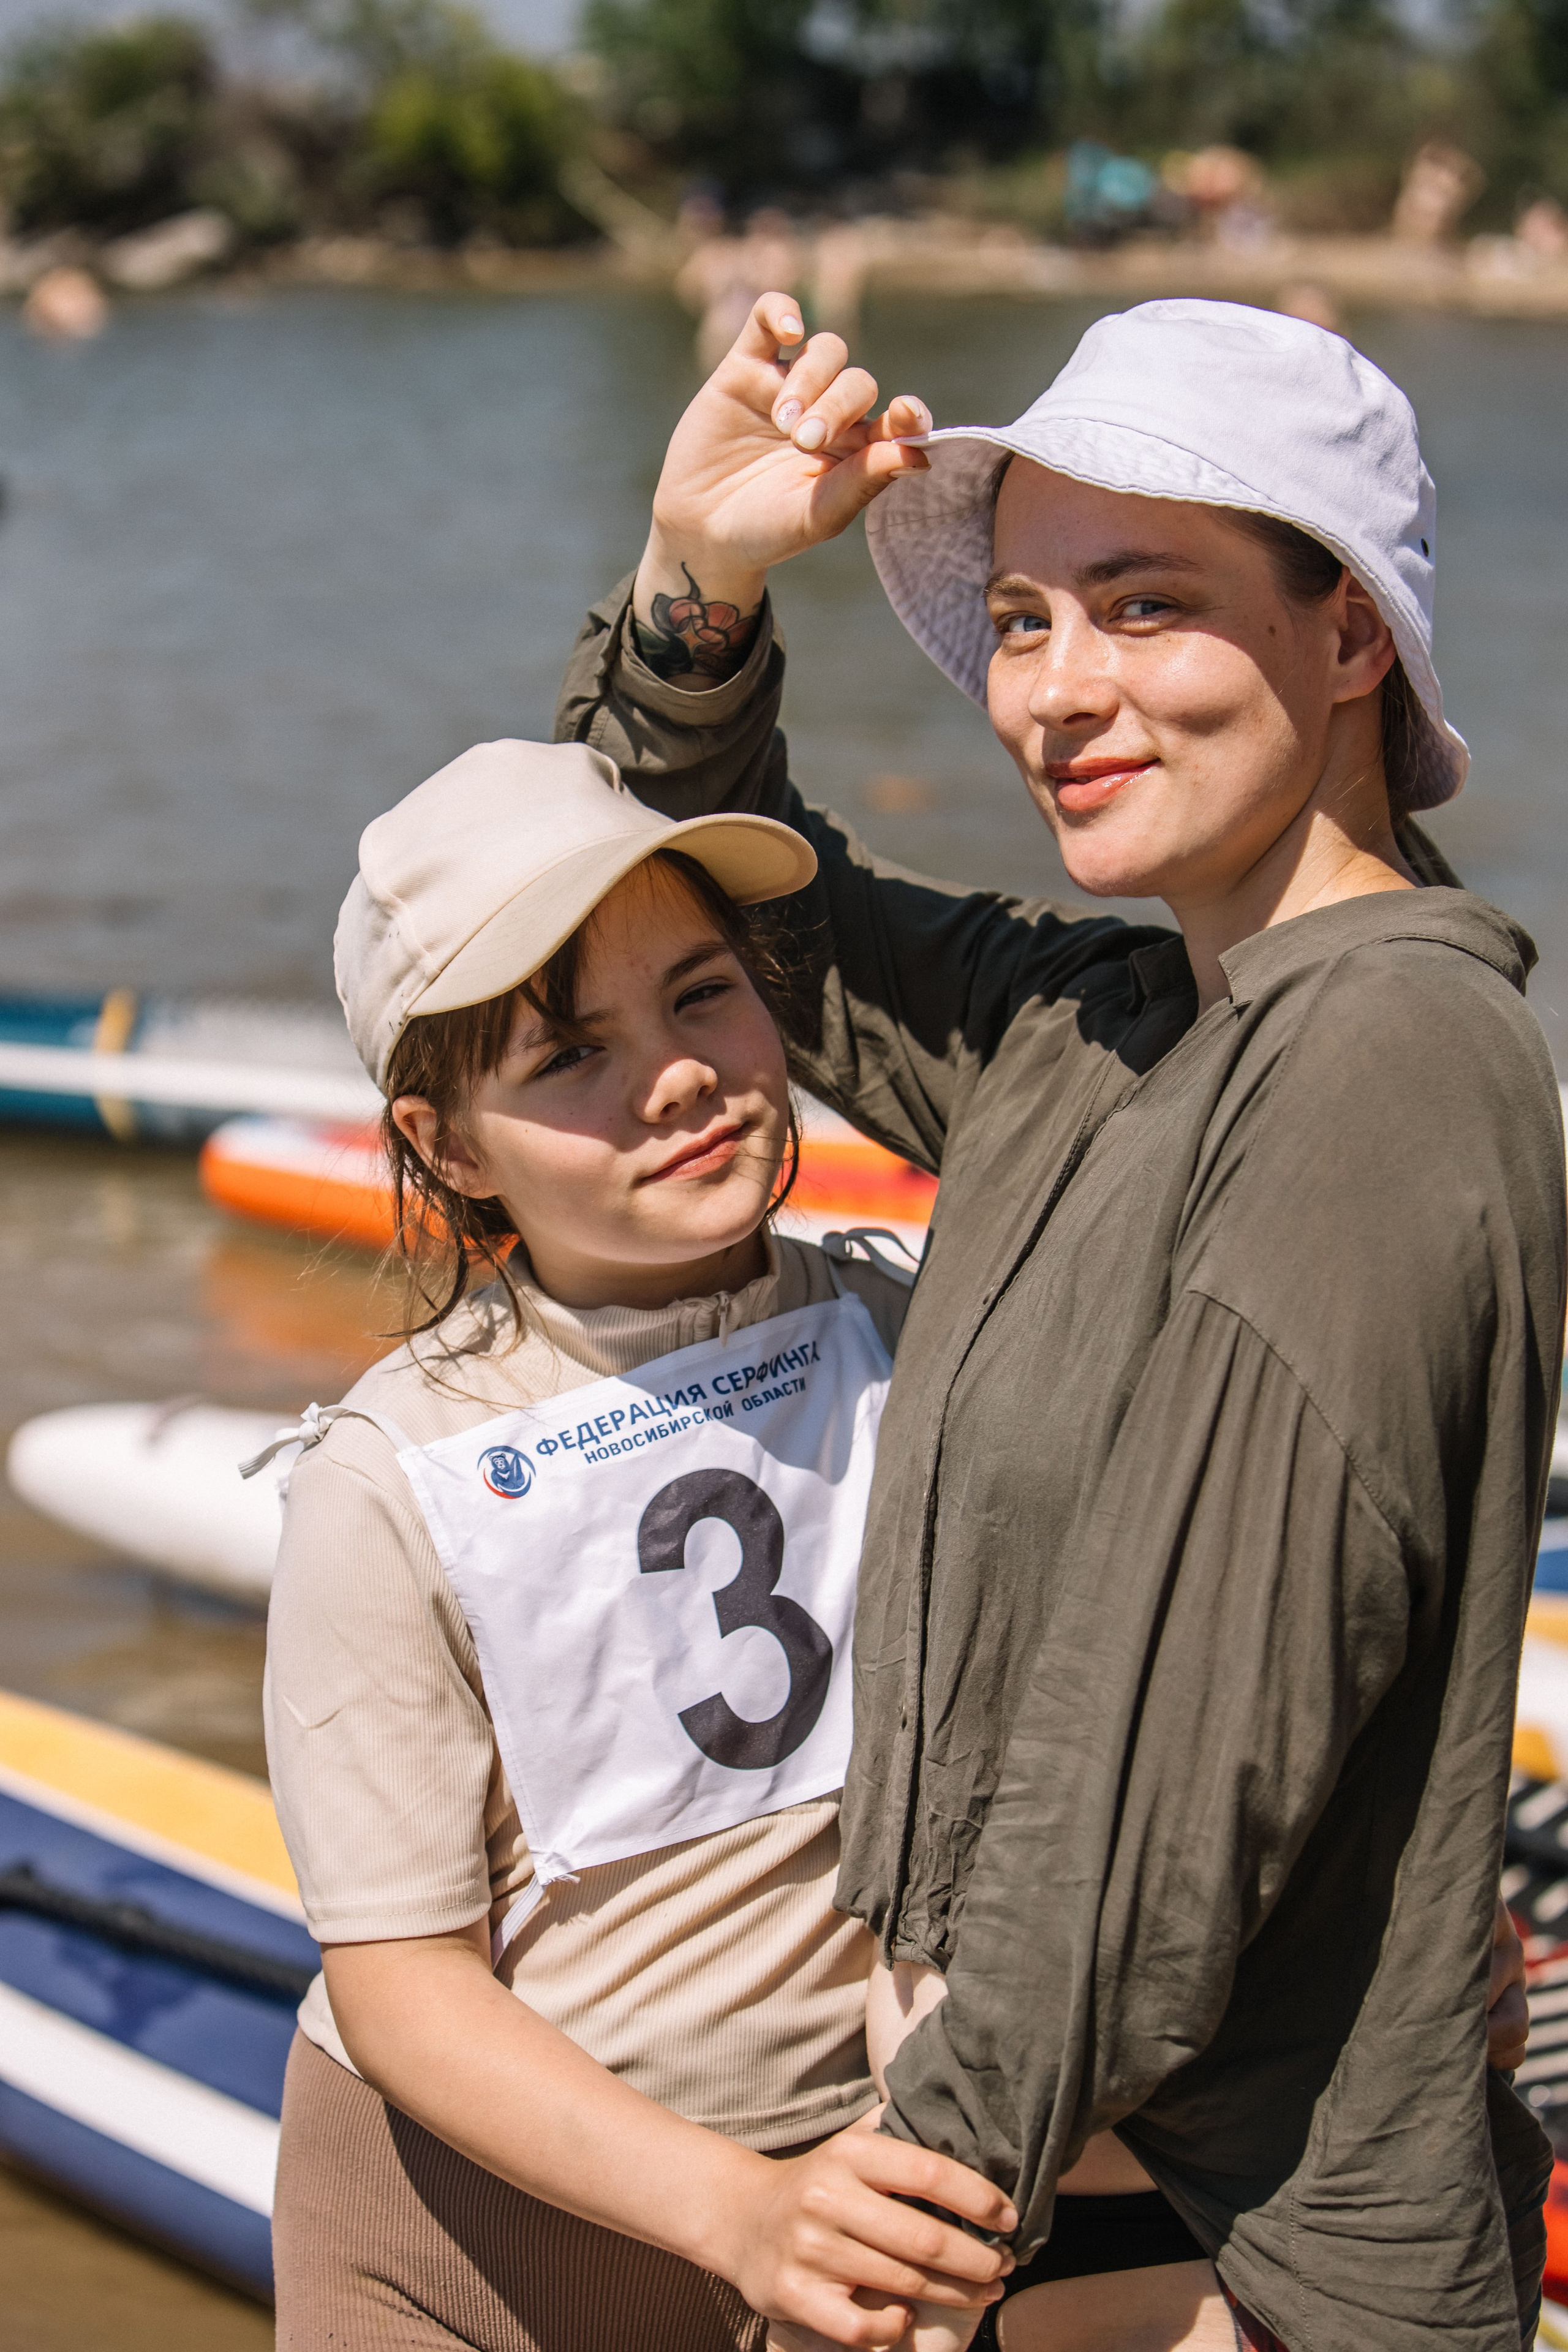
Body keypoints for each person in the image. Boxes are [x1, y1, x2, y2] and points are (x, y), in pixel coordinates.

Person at [554, 293, 1562, 2351]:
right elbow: (725, 903)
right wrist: (703, 583)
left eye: (1145, 606)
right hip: (1030, 2194)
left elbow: (1172, 1773)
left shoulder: (1388, 1060)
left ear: (1351, 635)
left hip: (1185, 2253)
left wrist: (894, 2230)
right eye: (1021, 619)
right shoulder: (1091, 1029)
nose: (1057, 693)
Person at [259, 737, 1020, 2351]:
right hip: (477, 2242)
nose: (675, 1075)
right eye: (568, 1058)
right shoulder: (393, 1477)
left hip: (854, 2216)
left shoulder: (927, 1337)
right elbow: (407, 1987)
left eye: (701, 994)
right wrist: (739, 2212)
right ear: (449, 1147)